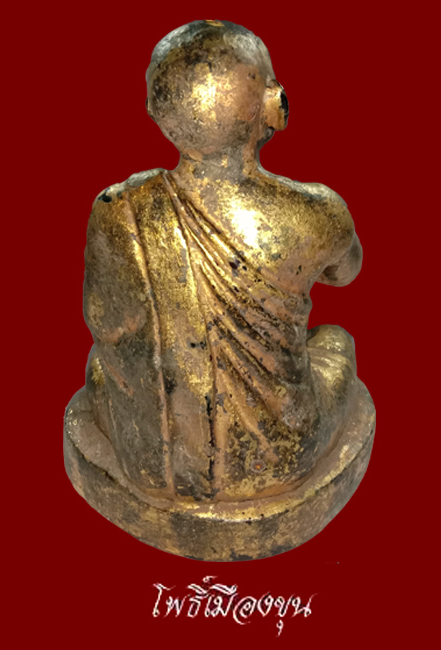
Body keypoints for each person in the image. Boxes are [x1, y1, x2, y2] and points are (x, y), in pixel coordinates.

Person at [83, 20, 365, 503]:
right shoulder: (317, 213)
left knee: (99, 368)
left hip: (157, 462)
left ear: (157, 109)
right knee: (336, 340)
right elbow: (346, 272)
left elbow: (106, 323)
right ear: (275, 105)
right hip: (283, 455)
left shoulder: (118, 210)